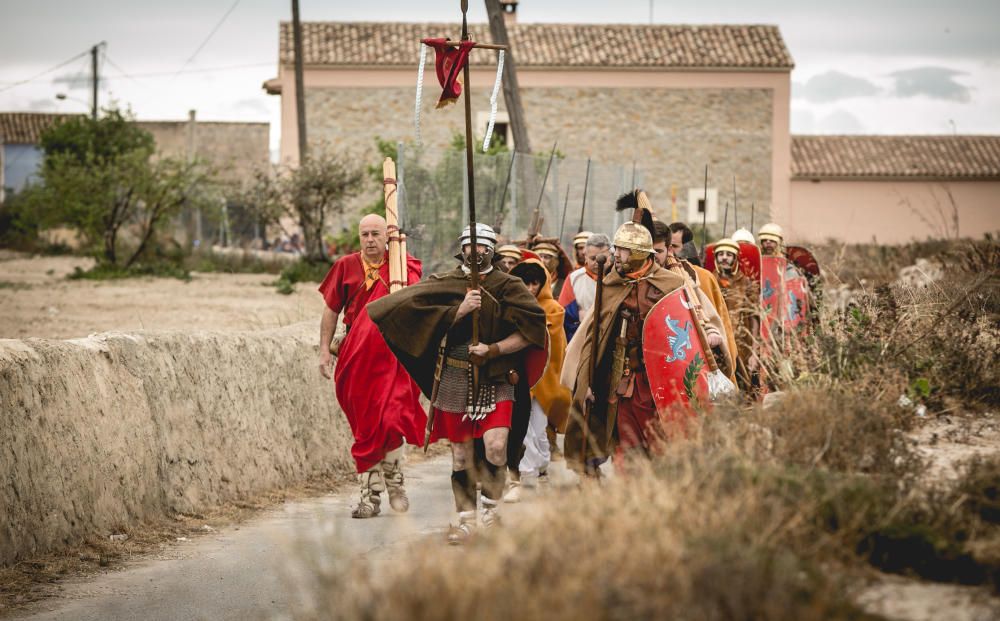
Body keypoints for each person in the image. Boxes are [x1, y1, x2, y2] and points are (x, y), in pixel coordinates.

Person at [367, 223, 547, 543]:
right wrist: (459, 311)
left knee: (496, 447)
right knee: (461, 455)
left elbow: (532, 331)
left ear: (491, 249)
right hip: (455, 377)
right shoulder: (445, 282)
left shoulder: (509, 285)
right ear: (461, 249)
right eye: (469, 246)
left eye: (481, 246)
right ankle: (466, 521)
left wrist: (494, 349)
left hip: (496, 377)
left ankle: (490, 514)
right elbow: (414, 318)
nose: (475, 252)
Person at [562, 196, 730, 474]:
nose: (617, 255)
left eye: (623, 251)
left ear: (639, 253)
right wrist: (586, 382)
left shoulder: (672, 283)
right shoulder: (612, 283)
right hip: (623, 383)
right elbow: (594, 337)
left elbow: (695, 319)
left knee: (665, 452)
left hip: (664, 383)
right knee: (627, 454)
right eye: (617, 249)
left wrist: (711, 334)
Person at [317, 214, 425, 518]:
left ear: (387, 236)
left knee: (392, 419)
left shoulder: (402, 267)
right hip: (357, 359)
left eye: (376, 234)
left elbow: (417, 308)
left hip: (395, 358)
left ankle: (395, 482)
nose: (370, 240)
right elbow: (331, 310)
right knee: (365, 427)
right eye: (364, 234)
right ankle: (369, 495)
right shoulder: (346, 266)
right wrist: (324, 350)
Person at [504, 258, 571, 502]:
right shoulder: (510, 305)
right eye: (526, 283)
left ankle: (541, 465)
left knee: (540, 428)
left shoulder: (553, 309)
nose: (531, 288)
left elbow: (551, 343)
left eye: (535, 283)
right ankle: (526, 473)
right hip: (518, 376)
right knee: (523, 429)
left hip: (544, 379)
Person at [653, 220, 739, 385]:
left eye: (675, 246)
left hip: (685, 361)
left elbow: (714, 321)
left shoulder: (696, 278)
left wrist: (712, 333)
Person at [711, 238, 762, 393]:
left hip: (741, 345)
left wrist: (754, 350)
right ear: (716, 257)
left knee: (744, 387)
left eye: (729, 254)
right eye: (721, 254)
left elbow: (754, 317)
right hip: (716, 343)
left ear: (735, 258)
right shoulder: (709, 280)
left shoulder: (746, 283)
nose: (724, 258)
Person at [558, 233, 612, 343]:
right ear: (585, 257)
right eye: (593, 258)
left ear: (610, 257)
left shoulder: (617, 279)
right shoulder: (574, 278)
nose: (598, 262)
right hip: (580, 337)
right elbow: (563, 312)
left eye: (603, 258)